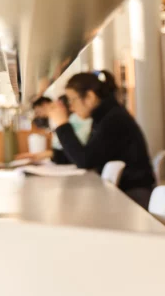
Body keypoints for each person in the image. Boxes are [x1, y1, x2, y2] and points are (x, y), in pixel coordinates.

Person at [49, 71, 155, 208]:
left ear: (90, 97)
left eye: (72, 99)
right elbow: (86, 154)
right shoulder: (105, 116)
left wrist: (62, 125)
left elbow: (85, 160)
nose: (70, 107)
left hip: (133, 196)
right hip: (124, 191)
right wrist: (54, 155)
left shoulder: (113, 119)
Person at [19, 96, 92, 164]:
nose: (39, 115)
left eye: (38, 112)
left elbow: (79, 154)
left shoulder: (75, 119)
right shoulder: (53, 120)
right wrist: (48, 154)